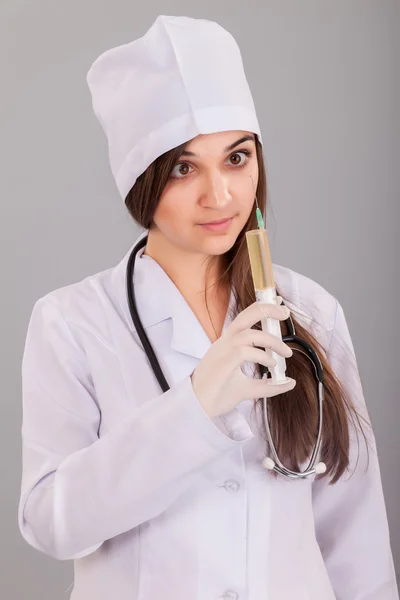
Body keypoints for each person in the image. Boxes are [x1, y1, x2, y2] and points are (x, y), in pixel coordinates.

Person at [18, 14, 398, 600]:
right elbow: (51, 522)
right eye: (183, 167)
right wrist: (193, 409)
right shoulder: (72, 322)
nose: (219, 195)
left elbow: (356, 538)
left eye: (237, 158)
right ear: (139, 182)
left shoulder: (312, 310)